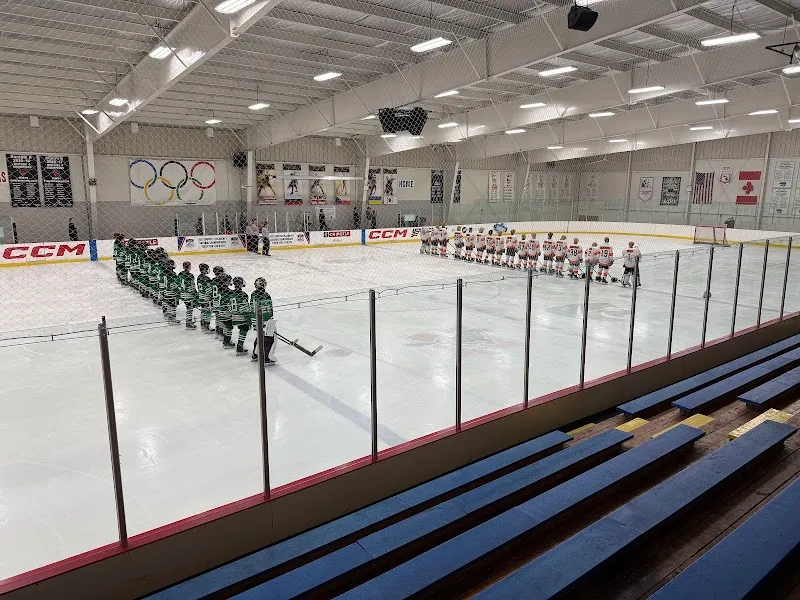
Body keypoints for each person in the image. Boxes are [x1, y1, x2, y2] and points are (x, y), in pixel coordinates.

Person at [250, 277, 276, 365]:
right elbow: (268, 310)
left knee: (259, 336)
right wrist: (270, 320)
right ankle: (266, 358)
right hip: (264, 320)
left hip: (255, 319)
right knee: (270, 338)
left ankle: (255, 354)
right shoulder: (265, 295)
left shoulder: (253, 294)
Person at [229, 277, 251, 355]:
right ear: (241, 284)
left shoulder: (231, 293)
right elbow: (245, 307)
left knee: (241, 329)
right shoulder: (243, 294)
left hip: (232, 316)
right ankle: (239, 347)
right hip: (241, 316)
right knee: (244, 329)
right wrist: (249, 317)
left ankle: (238, 346)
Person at [178, 261, 197, 329]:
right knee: (189, 309)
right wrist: (196, 294)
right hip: (188, 295)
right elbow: (192, 286)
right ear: (189, 267)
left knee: (188, 308)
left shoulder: (180, 273)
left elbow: (178, 283)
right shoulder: (190, 275)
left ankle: (189, 322)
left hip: (182, 293)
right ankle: (188, 323)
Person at [218, 274, 235, 349]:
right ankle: (226, 342)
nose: (229, 282)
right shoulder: (229, 291)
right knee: (229, 326)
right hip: (226, 311)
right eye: (228, 281)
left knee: (225, 325)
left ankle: (225, 339)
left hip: (219, 310)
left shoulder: (219, 289)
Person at [161, 260, 179, 324]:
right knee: (173, 306)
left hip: (166, 292)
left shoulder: (164, 273)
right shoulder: (172, 274)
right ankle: (173, 319)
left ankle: (169, 317)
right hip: (172, 293)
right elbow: (173, 285)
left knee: (169, 305)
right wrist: (178, 292)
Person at [210, 266, 226, 337]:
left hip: (215, 301)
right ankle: (221, 331)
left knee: (217, 316)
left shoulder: (213, 280)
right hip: (221, 301)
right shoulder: (222, 280)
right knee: (222, 316)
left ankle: (217, 330)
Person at [196, 263, 212, 332]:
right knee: (208, 312)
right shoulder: (206, 278)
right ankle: (206, 326)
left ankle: (202, 324)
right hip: (206, 298)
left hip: (201, 297)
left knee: (203, 311)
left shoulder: (199, 277)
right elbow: (208, 289)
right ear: (204, 269)